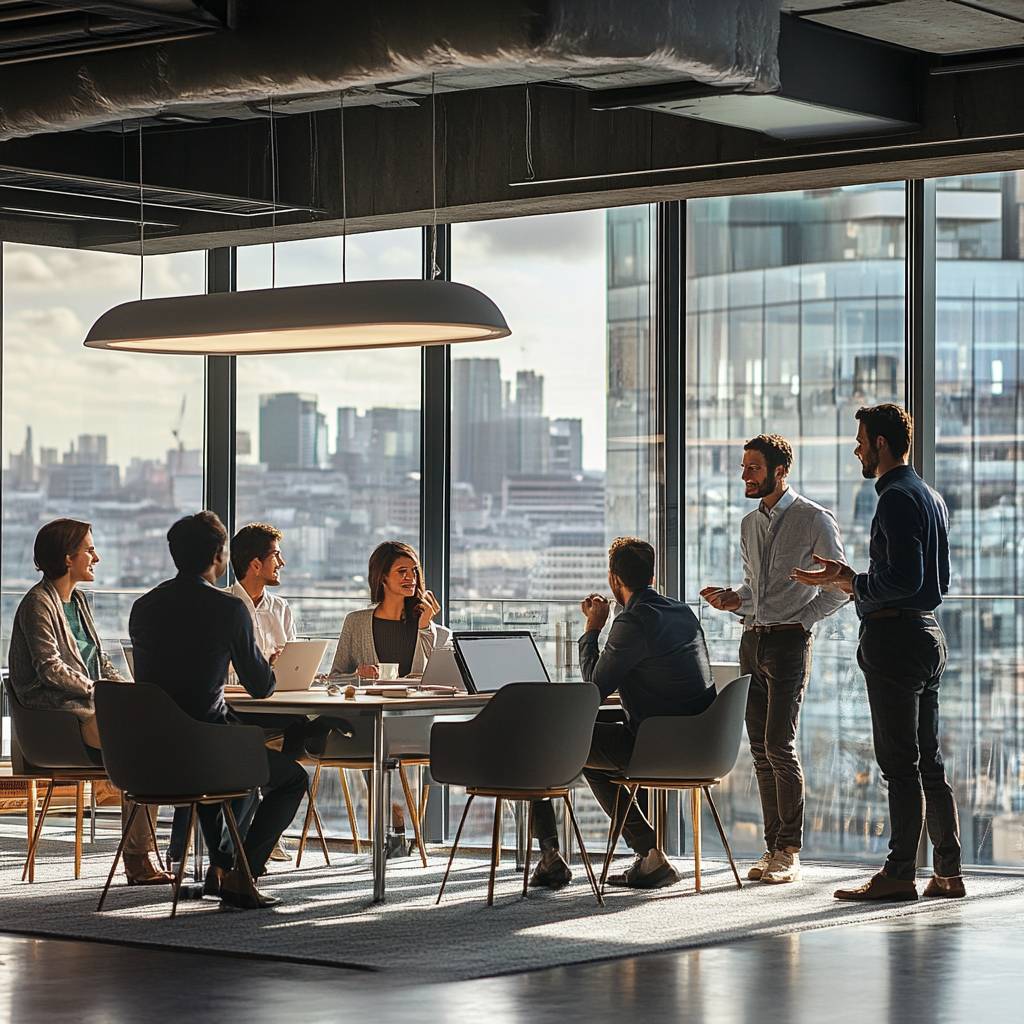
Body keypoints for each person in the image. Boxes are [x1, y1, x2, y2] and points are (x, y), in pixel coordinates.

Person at [791, 404, 964, 901]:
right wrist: (851, 579)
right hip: (928, 635)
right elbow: (937, 581)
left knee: (898, 764)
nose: (857, 449)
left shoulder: (893, 499)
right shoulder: (930, 496)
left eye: (862, 440)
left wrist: (850, 579)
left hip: (895, 642)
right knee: (928, 761)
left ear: (881, 444)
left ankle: (899, 874)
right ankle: (948, 872)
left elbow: (901, 578)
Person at [129, 511, 309, 910]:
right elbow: (261, 687)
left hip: (148, 756)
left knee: (235, 758)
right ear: (219, 556)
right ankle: (243, 874)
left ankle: (222, 870)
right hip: (206, 754)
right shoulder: (228, 610)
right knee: (291, 778)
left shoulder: (143, 607)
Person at [700, 434, 848, 885]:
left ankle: (790, 851)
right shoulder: (749, 524)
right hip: (752, 641)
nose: (745, 475)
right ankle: (771, 849)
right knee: (761, 753)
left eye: (753, 468)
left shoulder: (814, 519)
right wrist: (733, 600)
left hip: (788, 646)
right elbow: (753, 590)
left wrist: (802, 621)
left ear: (780, 471)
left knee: (780, 747)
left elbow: (839, 586)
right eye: (744, 468)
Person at [530, 537, 715, 891]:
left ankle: (552, 857)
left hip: (658, 748)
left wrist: (593, 628)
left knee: (548, 739)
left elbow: (592, 691)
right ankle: (647, 857)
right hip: (703, 743)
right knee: (592, 739)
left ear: (614, 579)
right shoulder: (682, 612)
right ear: (653, 574)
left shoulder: (633, 621)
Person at [7, 518, 172, 885]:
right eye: (90, 549)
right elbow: (49, 670)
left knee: (153, 738)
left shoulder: (77, 601)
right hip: (55, 719)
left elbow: (99, 661)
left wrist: (127, 690)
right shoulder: (38, 604)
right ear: (69, 558)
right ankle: (139, 857)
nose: (96, 556)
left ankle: (146, 853)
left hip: (90, 709)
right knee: (144, 747)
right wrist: (104, 693)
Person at [327, 540, 448, 856]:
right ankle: (394, 821)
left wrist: (425, 628)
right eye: (402, 572)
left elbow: (436, 676)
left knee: (378, 742)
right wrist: (358, 676)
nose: (411, 578)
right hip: (372, 722)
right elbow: (335, 676)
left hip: (416, 723)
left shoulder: (430, 627)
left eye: (414, 571)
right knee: (372, 739)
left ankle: (395, 827)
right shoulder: (356, 622)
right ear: (382, 578)